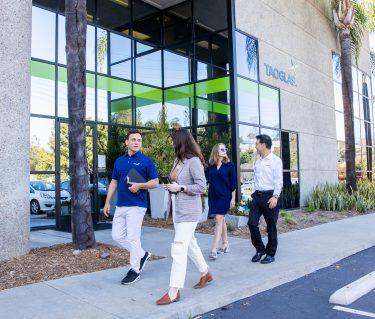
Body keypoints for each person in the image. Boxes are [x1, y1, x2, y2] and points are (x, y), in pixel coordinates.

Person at [156, 128, 212, 305]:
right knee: (190, 244)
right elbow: (177, 182)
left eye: (173, 140)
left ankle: (174, 291)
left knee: (179, 247)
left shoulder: (194, 162)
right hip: (177, 210)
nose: (171, 142)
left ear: (180, 141)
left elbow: (201, 187)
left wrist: (180, 188)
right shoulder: (177, 160)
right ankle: (205, 273)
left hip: (189, 211)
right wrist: (172, 186)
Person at [103, 129, 159, 285]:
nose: (136, 142)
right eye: (133, 139)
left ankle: (135, 270)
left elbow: (155, 182)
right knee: (117, 236)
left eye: (139, 140)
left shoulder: (146, 161)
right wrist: (107, 202)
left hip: (137, 205)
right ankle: (142, 254)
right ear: (126, 142)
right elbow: (114, 182)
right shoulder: (119, 161)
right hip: (121, 205)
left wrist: (140, 185)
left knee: (133, 237)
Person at [248, 134, 283, 264]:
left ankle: (270, 253)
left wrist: (275, 196)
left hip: (270, 196)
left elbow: (278, 180)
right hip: (257, 196)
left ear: (263, 145)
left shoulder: (275, 161)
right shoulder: (258, 161)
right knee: (252, 223)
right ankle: (260, 249)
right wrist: (253, 193)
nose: (255, 146)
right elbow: (256, 180)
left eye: (257, 143)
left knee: (271, 226)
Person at [207, 143, 236, 260]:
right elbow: (209, 182)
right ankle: (225, 244)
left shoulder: (229, 166)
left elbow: (233, 184)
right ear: (216, 151)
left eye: (225, 149)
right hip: (213, 197)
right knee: (221, 219)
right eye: (222, 149)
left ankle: (214, 249)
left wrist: (233, 199)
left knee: (219, 219)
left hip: (224, 196)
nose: (225, 151)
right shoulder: (210, 168)